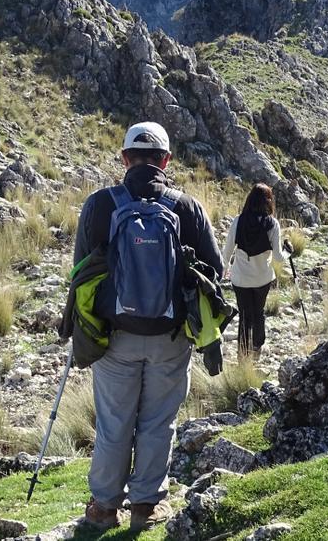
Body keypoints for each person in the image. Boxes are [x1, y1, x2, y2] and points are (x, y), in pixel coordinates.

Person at [72, 121, 223, 531]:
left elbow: (80, 270)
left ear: (125, 158)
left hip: (114, 338)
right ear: (166, 160)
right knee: (158, 421)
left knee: (114, 422)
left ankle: (103, 508)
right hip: (170, 339)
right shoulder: (187, 207)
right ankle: (146, 506)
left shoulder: (100, 204)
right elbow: (216, 270)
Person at [222, 183, 287, 360]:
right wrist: (289, 252)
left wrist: (224, 270)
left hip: (240, 278)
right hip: (262, 278)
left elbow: (227, 251)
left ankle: (242, 353)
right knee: (259, 311)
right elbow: (278, 257)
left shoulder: (238, 221)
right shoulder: (272, 224)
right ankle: (257, 346)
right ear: (268, 201)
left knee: (244, 314)